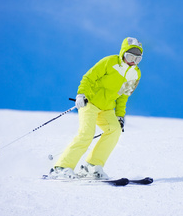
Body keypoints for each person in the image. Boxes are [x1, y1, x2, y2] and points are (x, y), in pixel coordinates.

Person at [49, 37, 143, 179]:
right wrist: (81, 94)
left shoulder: (135, 74)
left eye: (137, 59)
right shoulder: (110, 62)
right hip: (90, 102)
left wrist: (120, 115)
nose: (132, 61)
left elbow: (124, 96)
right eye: (130, 56)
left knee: (114, 131)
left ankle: (92, 166)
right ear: (123, 53)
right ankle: (61, 168)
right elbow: (89, 77)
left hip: (107, 109)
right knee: (86, 133)